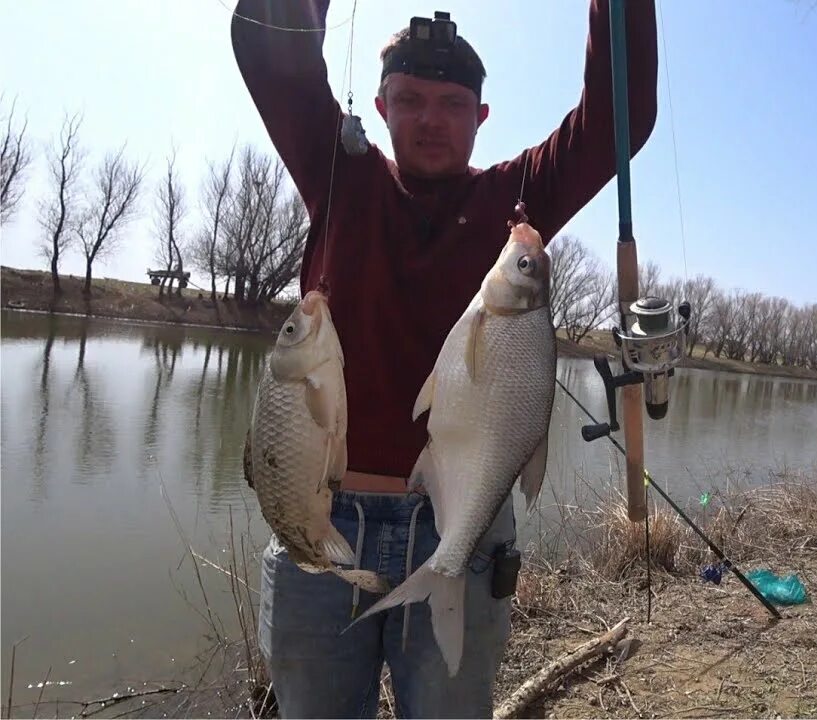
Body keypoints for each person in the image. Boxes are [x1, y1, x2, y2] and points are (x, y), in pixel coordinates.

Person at [230, 1, 657, 717]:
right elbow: (268, 50)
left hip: (463, 528)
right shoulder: (339, 174)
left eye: (453, 104)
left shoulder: (513, 204)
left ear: (482, 116)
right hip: (323, 523)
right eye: (412, 101)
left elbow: (619, 119)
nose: (432, 119)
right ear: (380, 106)